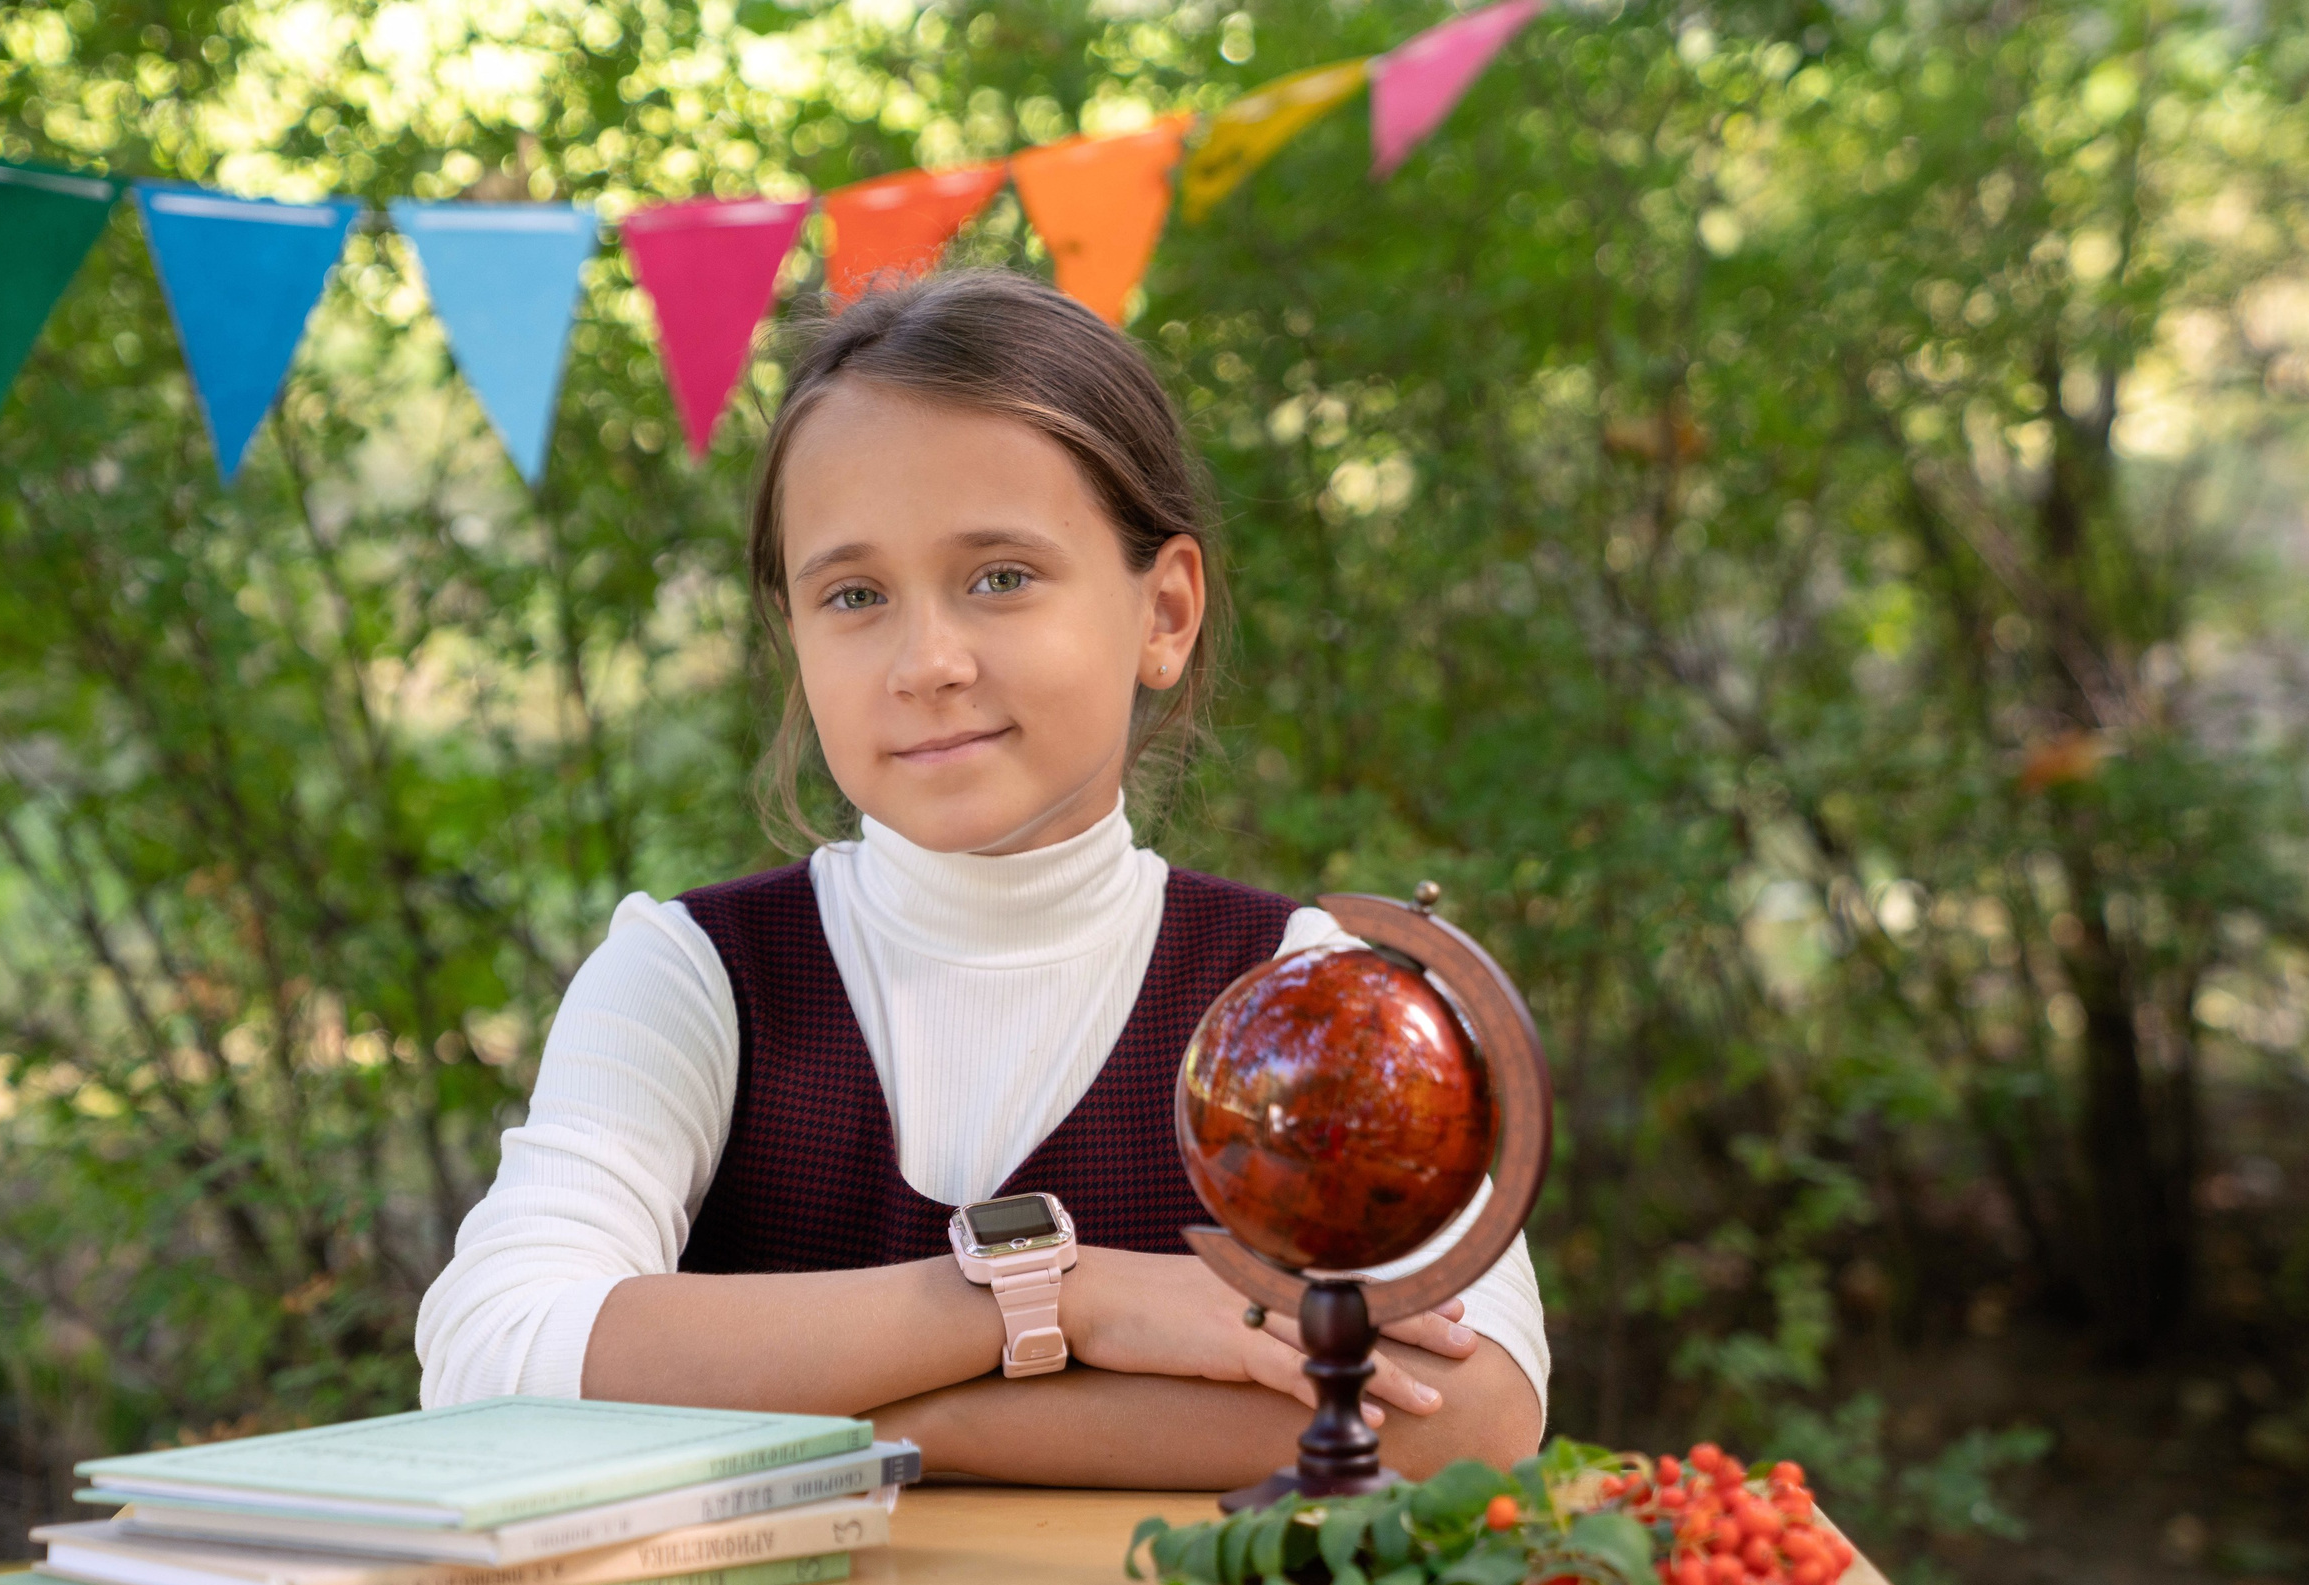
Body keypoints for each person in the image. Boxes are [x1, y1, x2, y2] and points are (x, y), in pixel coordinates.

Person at [415, 269, 1547, 1486]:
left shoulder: (1308, 989)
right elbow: (491, 1356)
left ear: (1162, 612)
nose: (927, 662)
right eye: (853, 595)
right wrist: (1057, 1296)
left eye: (1000, 576)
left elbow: (1465, 1412)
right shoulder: (694, 976)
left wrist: (870, 1427)